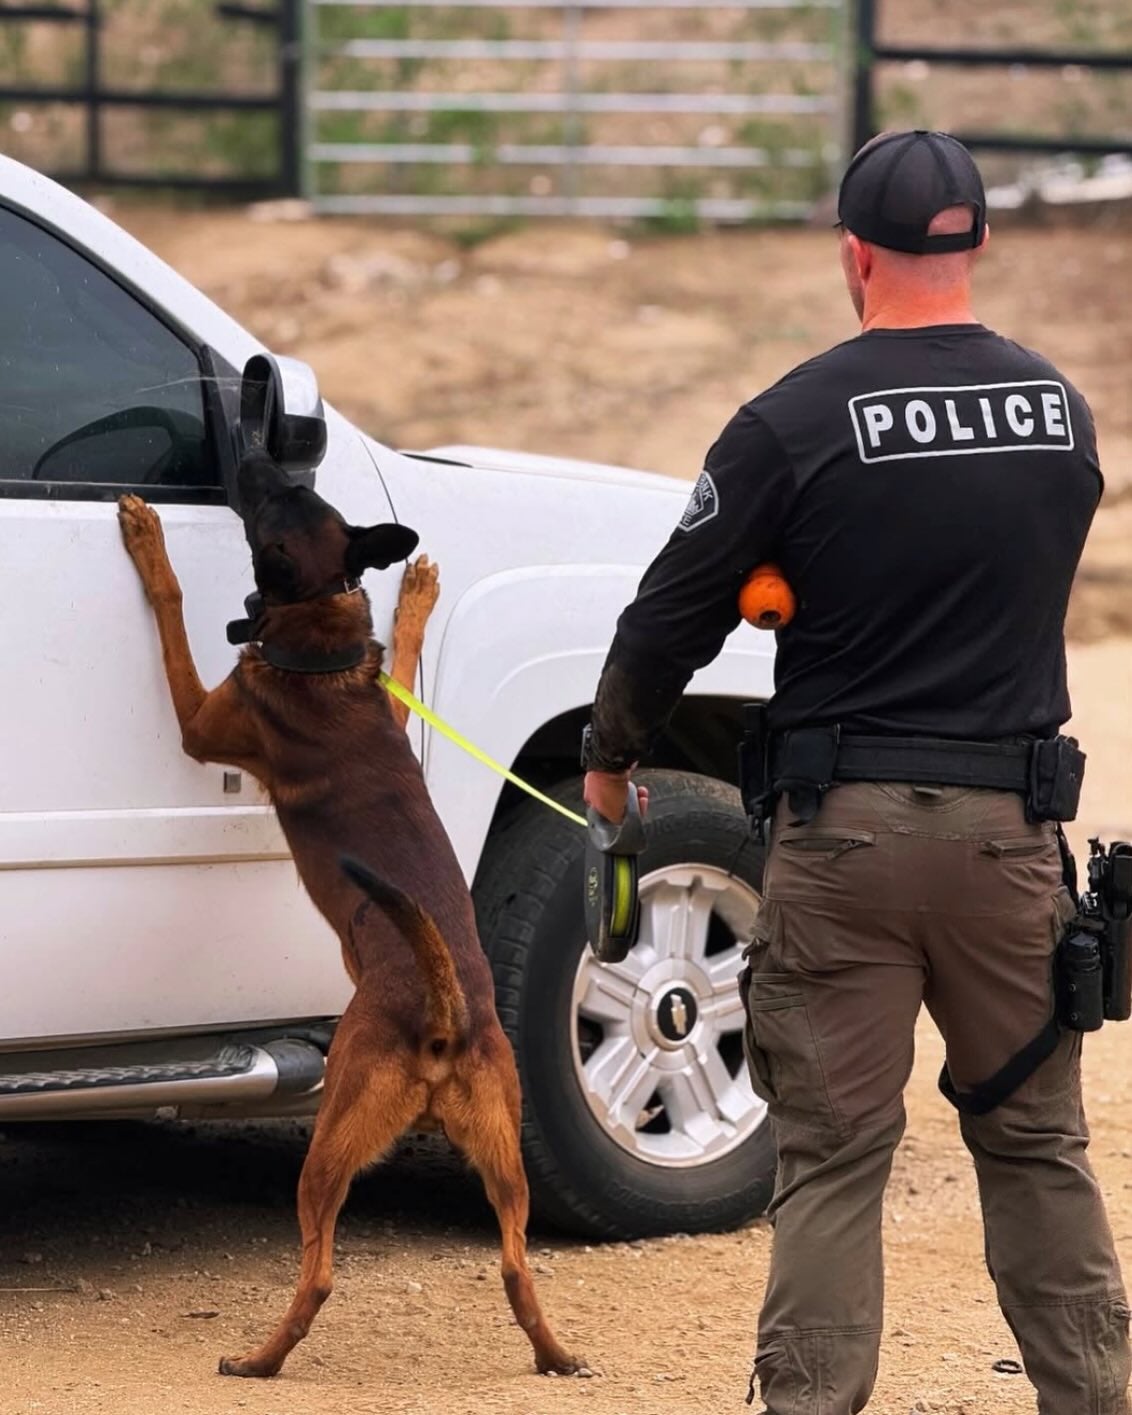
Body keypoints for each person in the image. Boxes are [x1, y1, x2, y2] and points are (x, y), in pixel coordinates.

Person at [581, 129, 1130, 1415]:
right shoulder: (1058, 416)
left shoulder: (789, 421)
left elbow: (667, 619)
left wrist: (609, 761)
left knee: (832, 1159)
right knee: (1037, 1144)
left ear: (853, 254)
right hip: (1008, 840)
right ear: (979, 241)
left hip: (841, 842)